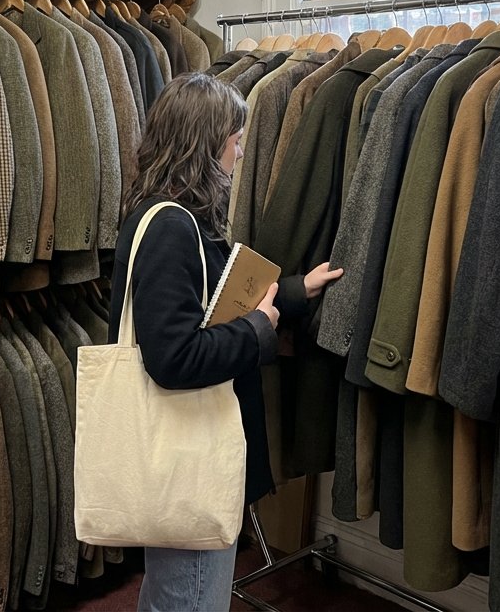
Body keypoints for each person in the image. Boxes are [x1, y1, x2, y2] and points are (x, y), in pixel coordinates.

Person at [107, 72, 343, 612]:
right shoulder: (172, 228)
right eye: (235, 141)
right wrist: (259, 330)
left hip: (180, 454)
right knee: (190, 596)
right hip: (189, 461)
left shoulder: (168, 214)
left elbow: (210, 306)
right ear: (206, 145)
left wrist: (293, 291)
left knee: (174, 593)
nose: (239, 154)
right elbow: (174, 357)